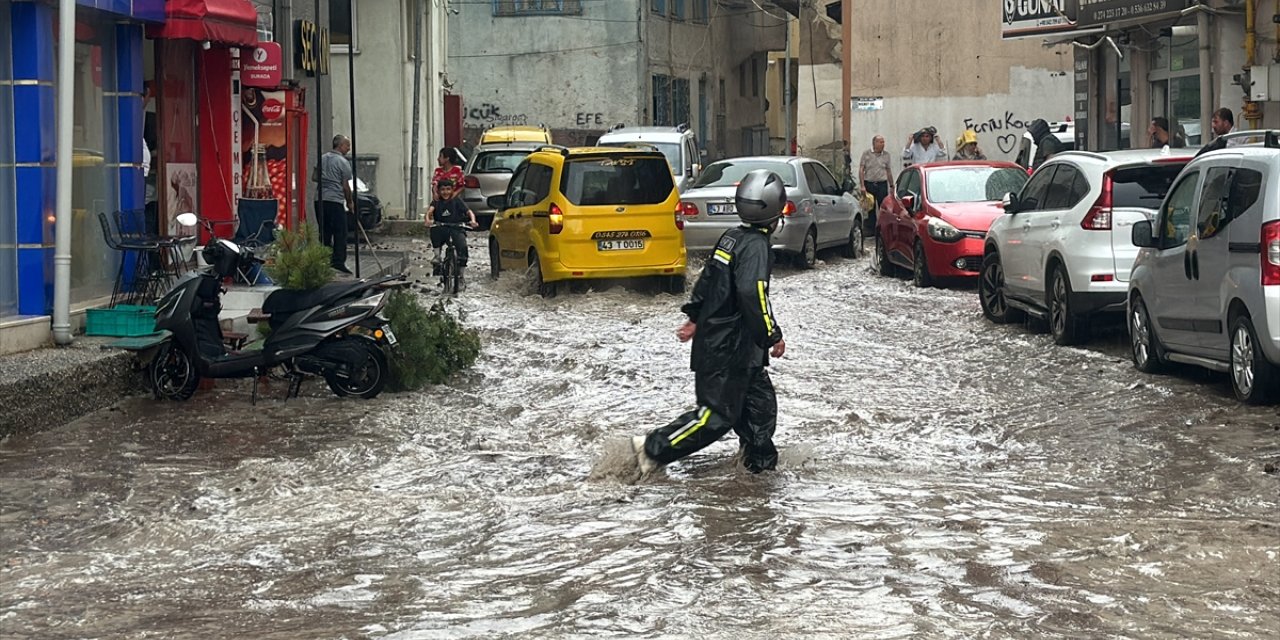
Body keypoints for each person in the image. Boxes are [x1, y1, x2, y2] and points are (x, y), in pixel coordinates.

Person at [630, 169, 787, 478]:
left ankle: (759, 473)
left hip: (739, 350)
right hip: (728, 349)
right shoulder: (755, 246)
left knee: (760, 409)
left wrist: (694, 316)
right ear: (773, 209)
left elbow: (708, 279)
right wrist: (772, 335)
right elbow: (751, 293)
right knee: (716, 416)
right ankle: (650, 449)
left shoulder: (732, 237)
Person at [425, 179, 479, 283]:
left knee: (462, 248)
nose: (446, 192)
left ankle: (461, 276)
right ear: (439, 191)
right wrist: (427, 220)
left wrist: (473, 221)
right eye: (443, 190)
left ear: (452, 190)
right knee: (434, 230)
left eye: (448, 189)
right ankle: (437, 256)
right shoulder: (437, 201)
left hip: (456, 228)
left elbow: (469, 212)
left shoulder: (457, 200)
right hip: (442, 228)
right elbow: (430, 211)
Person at [320, 134, 355, 274]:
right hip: (334, 200)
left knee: (325, 231)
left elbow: (315, 177)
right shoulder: (342, 162)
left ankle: (324, 260)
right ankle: (338, 262)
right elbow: (346, 186)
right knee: (340, 232)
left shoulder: (322, 158)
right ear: (340, 146)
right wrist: (350, 202)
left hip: (320, 200)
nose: (349, 148)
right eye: (347, 145)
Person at [859, 135, 894, 227]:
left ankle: (883, 226)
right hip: (869, 183)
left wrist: (891, 185)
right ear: (874, 143)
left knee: (883, 206)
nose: (883, 144)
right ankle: (871, 228)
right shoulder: (866, 154)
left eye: (883, 142)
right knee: (871, 207)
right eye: (880, 142)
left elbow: (888, 170)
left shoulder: (886, 155)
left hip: (881, 183)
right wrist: (862, 185)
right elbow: (861, 169)